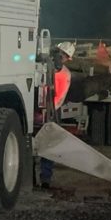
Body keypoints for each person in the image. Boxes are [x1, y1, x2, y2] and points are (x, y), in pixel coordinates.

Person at [41, 41, 75, 188]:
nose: (61, 58)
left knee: (49, 145)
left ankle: (45, 178)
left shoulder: (65, 74)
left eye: (64, 56)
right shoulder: (42, 66)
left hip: (52, 110)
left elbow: (59, 98)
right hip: (43, 108)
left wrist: (49, 111)